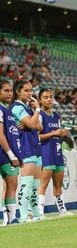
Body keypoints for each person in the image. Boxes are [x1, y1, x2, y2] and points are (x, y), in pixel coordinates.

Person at [11, 80, 43, 222]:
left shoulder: (27, 107)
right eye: (26, 90)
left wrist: (32, 121)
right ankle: (23, 217)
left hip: (35, 146)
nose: (30, 93)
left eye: (31, 90)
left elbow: (40, 127)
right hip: (25, 148)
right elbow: (31, 124)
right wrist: (37, 110)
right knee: (27, 183)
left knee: (35, 186)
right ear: (18, 92)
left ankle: (36, 214)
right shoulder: (17, 107)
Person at [38, 88, 70, 217]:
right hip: (45, 152)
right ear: (40, 100)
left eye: (50, 97)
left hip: (57, 151)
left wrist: (61, 134)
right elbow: (36, 137)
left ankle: (62, 210)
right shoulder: (39, 115)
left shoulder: (56, 116)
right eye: (45, 97)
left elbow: (55, 134)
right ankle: (39, 212)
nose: (49, 99)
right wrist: (53, 133)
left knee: (58, 184)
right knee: (43, 184)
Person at [0, 80, 22, 225]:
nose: (9, 93)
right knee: (12, 183)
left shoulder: (7, 111)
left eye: (11, 90)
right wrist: (11, 155)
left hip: (7, 153)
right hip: (3, 153)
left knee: (11, 184)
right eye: (5, 90)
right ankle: (11, 218)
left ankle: (10, 218)